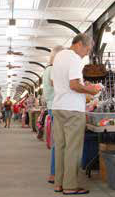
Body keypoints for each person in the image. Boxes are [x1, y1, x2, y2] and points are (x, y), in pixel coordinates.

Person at [52, 34, 100, 195]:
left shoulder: (59, 56)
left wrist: (81, 85)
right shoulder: (74, 59)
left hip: (58, 106)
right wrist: (90, 89)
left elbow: (56, 82)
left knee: (60, 146)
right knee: (73, 148)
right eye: (87, 49)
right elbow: (73, 85)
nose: (86, 53)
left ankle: (59, 183)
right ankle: (71, 186)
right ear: (79, 44)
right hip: (72, 108)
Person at [42, 45, 64, 184]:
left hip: (53, 107)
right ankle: (55, 173)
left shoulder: (48, 70)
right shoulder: (52, 70)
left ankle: (55, 173)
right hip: (57, 107)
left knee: (58, 142)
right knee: (59, 142)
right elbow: (58, 85)